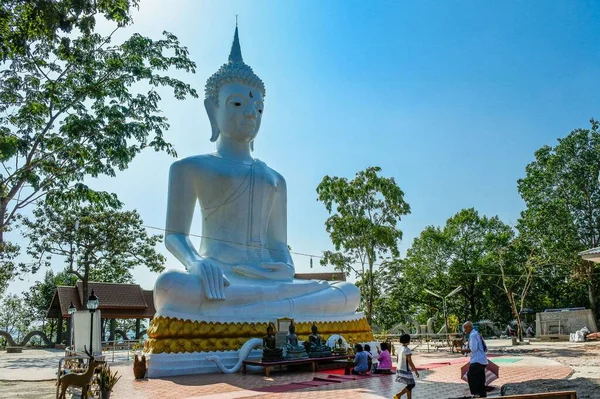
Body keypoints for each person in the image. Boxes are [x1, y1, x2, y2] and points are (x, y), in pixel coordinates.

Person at [461, 321, 488, 398]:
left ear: (469, 327)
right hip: (482, 360)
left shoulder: (473, 335)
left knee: (471, 375)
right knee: (480, 379)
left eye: (465, 328)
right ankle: (482, 395)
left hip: (477, 360)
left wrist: (464, 350)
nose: (465, 330)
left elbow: (473, 349)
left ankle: (476, 394)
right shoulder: (477, 333)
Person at [395, 334, 419, 399]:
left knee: (409, 385)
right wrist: (416, 371)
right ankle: (398, 395)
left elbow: (397, 360)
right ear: (408, 341)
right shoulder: (407, 349)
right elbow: (410, 361)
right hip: (406, 370)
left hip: (399, 369)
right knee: (412, 384)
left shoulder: (399, 349)